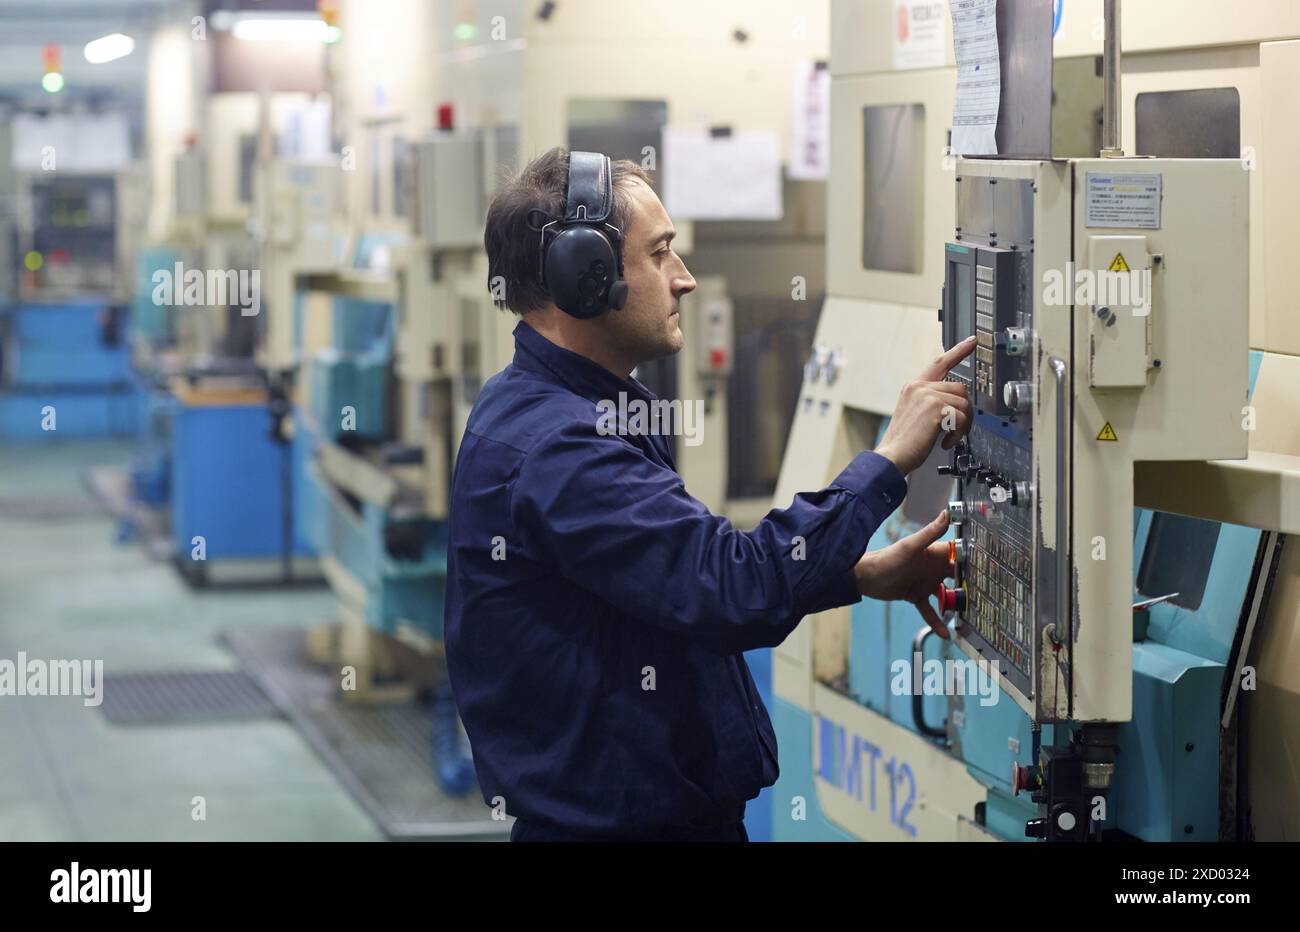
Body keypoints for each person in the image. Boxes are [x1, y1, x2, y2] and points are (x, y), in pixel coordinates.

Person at [444, 147, 975, 842]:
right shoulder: (561, 449)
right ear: (586, 276)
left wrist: (852, 574)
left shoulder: (554, 409)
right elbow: (732, 590)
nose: (685, 280)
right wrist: (887, 460)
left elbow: (666, 586)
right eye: (660, 254)